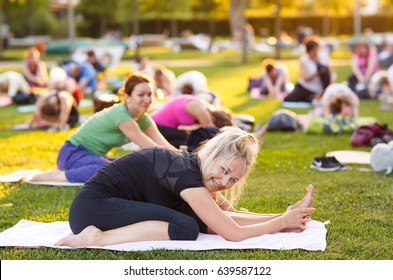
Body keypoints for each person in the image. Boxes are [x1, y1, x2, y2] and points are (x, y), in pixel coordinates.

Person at [55, 127, 315, 247]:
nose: (225, 183)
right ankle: (97, 239)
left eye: (233, 180)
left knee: (190, 222)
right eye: (224, 171)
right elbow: (231, 232)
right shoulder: (186, 176)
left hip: (102, 208)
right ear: (211, 155)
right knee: (184, 227)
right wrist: (280, 223)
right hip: (94, 210)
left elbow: (220, 220)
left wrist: (287, 216)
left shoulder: (191, 173)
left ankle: (97, 235)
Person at [27, 73, 175, 183]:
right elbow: (150, 148)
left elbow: (163, 144)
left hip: (92, 156)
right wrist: (177, 162)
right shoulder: (121, 115)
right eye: (141, 95)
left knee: (127, 165)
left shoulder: (143, 118)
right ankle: (53, 176)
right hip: (72, 153)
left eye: (150, 94)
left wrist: (184, 157)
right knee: (114, 171)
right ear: (128, 97)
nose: (147, 99)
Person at [150, 94, 234, 148]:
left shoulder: (202, 104)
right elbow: (212, 133)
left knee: (192, 138)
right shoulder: (202, 112)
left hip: (156, 121)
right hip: (157, 125)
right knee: (193, 140)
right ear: (214, 118)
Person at [284, 36, 334, 103]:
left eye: (316, 50)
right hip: (305, 88)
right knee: (289, 99)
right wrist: (317, 73)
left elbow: (331, 73)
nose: (315, 52)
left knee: (314, 100)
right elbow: (305, 78)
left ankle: (316, 97)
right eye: (313, 51)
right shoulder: (304, 60)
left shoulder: (324, 58)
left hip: (318, 90)